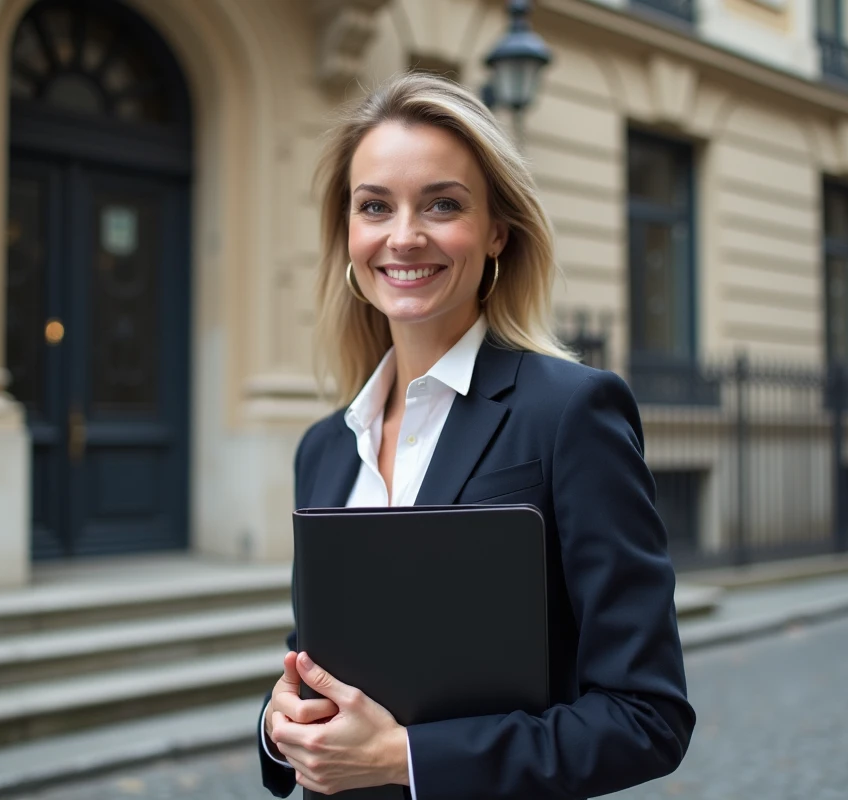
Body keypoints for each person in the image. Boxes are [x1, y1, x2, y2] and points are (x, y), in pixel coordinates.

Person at [258, 72, 694, 799]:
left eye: (443, 204)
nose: (404, 235)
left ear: (497, 230)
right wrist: (281, 727)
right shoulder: (327, 447)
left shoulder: (570, 414)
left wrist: (407, 759)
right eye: (374, 206)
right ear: (347, 232)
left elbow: (646, 716)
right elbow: (313, 664)